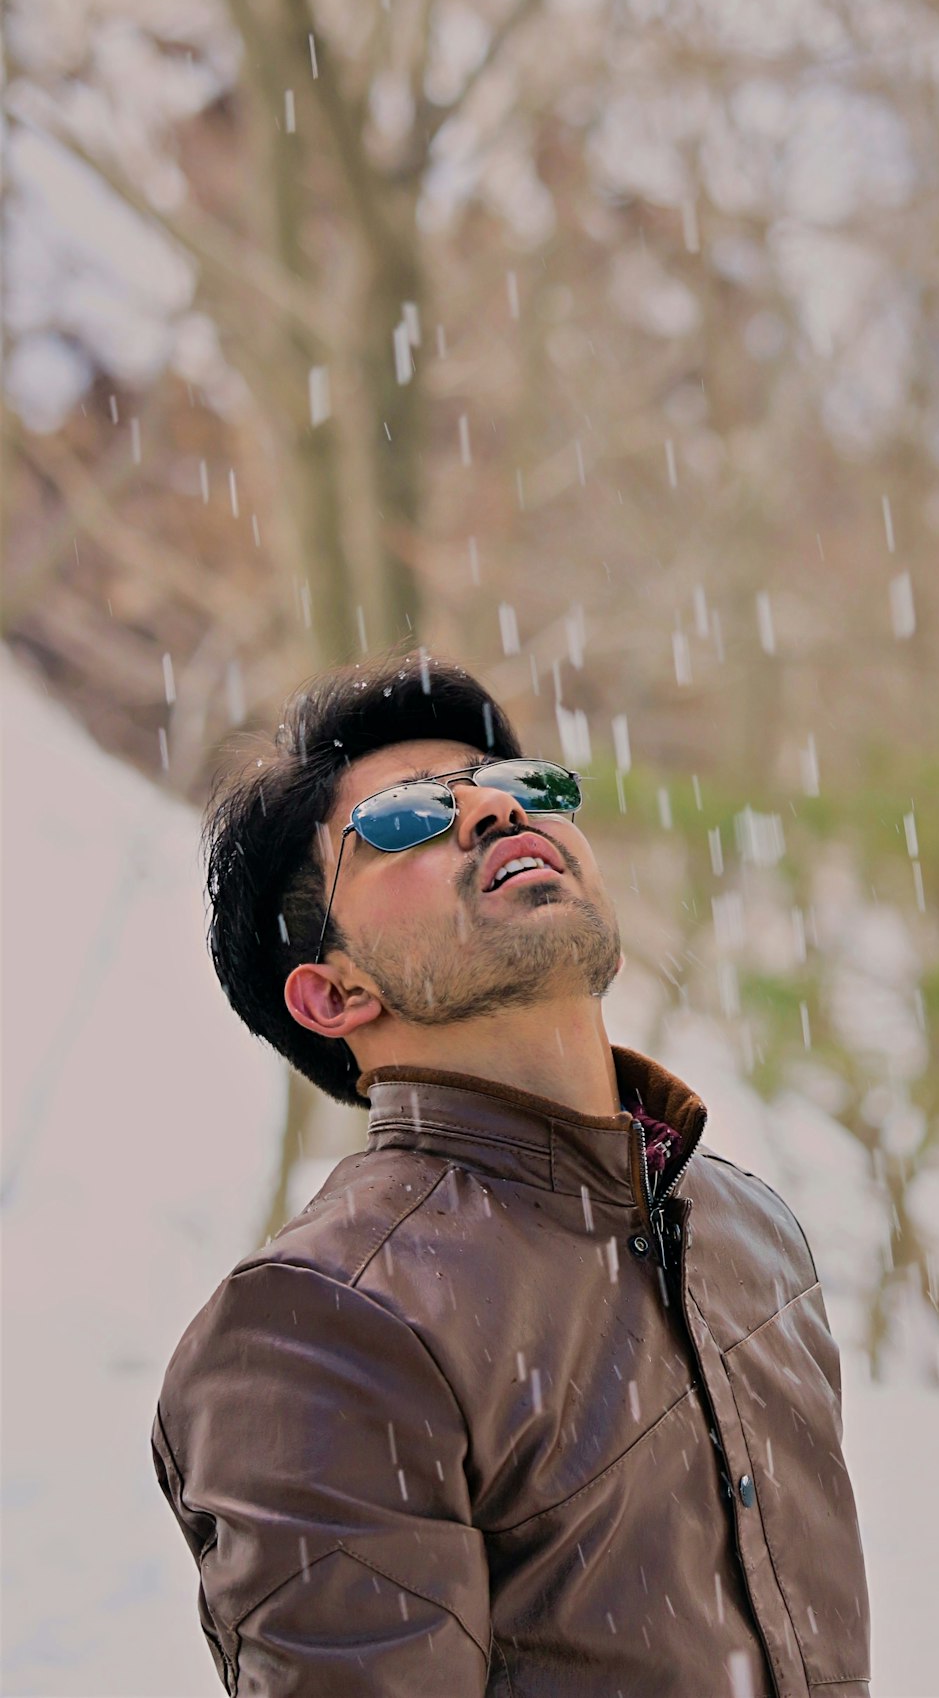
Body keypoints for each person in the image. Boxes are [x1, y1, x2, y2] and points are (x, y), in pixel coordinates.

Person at [152, 651, 871, 1698]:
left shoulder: (744, 1226)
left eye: (522, 787)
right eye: (404, 819)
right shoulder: (322, 1324)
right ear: (332, 994)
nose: (494, 811)